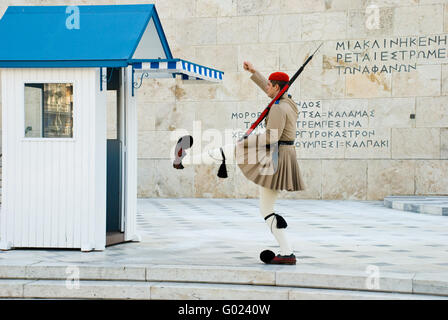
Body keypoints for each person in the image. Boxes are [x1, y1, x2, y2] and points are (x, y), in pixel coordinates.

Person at [173, 61, 305, 265]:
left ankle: (183, 161)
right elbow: (273, 94)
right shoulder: (289, 103)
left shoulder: (278, 108)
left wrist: (246, 141)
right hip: (282, 155)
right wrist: (255, 73)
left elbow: (271, 136)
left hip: (275, 156)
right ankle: (287, 253)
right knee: (266, 207)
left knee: (233, 152)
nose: (267, 88)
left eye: (270, 85)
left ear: (277, 87)